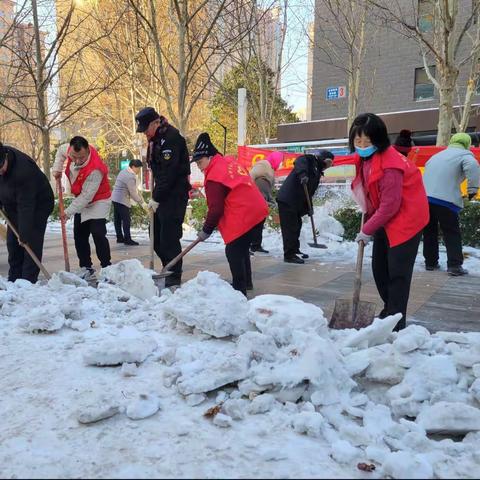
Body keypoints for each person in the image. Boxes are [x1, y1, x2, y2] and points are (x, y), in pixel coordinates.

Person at [339, 113, 429, 331]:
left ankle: (397, 321)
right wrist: (364, 203)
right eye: (357, 141)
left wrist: (367, 229)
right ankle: (390, 309)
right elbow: (368, 186)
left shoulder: (391, 165)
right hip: (384, 216)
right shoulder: (364, 157)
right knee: (380, 269)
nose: (362, 145)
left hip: (407, 218)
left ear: (378, 140)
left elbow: (391, 205)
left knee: (397, 272)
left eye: (367, 141)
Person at [192, 133, 268, 296]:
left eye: (200, 162)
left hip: (244, 213)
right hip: (258, 209)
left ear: (210, 157)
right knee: (241, 248)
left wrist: (206, 230)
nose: (199, 167)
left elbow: (216, 208)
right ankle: (247, 282)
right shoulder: (228, 162)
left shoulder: (214, 177)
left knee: (233, 251)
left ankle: (239, 290)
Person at [135, 107, 190, 288]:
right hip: (162, 192)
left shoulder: (171, 139)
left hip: (174, 195)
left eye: (145, 129)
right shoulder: (155, 140)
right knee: (156, 236)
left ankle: (174, 276)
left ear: (155, 123)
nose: (144, 133)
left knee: (169, 237)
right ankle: (168, 266)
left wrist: (156, 198)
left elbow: (169, 174)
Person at [52, 136, 111, 280]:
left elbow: (86, 197)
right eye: (74, 157)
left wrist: (67, 212)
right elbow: (60, 151)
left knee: (97, 232)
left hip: (98, 200)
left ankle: (107, 268)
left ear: (87, 152)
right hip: (81, 199)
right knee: (79, 233)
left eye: (81, 158)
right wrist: (57, 169)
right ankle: (86, 267)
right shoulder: (69, 150)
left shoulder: (95, 169)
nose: (77, 161)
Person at [422, 132, 480, 276]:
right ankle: (454, 265)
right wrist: (472, 190)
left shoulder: (437, 156)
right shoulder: (465, 155)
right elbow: (473, 167)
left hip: (425, 199)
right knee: (451, 232)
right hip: (445, 200)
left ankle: (430, 263)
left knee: (429, 231)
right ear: (466, 144)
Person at [0, 142, 54, 283]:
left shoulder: (23, 170)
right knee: (13, 244)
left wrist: (24, 235)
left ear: (5, 157)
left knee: (30, 242)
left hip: (37, 205)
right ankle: (14, 280)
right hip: (13, 204)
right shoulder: (3, 166)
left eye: (0, 168)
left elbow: (26, 206)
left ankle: (28, 282)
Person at [276, 150, 334, 264]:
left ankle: (295, 250)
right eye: (329, 163)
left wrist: (309, 207)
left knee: (297, 225)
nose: (328, 166)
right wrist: (303, 174)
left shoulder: (317, 172)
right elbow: (299, 161)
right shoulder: (309, 160)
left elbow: (309, 192)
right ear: (323, 160)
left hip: (296, 201)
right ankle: (289, 255)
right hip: (288, 199)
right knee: (290, 228)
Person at [249, 151, 283, 254]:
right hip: (255, 198)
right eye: (281, 161)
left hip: (262, 198)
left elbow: (267, 189)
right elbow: (251, 175)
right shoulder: (264, 164)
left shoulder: (270, 169)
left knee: (259, 222)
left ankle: (256, 245)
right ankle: (247, 246)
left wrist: (271, 200)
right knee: (252, 223)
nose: (281, 163)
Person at [111, 159, 148, 246]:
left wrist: (141, 201)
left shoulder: (124, 171)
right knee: (126, 219)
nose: (139, 171)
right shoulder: (130, 176)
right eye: (138, 168)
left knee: (118, 219)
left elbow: (135, 191)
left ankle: (120, 238)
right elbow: (133, 192)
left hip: (115, 198)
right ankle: (127, 239)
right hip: (121, 199)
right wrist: (142, 203)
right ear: (133, 167)